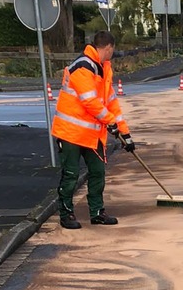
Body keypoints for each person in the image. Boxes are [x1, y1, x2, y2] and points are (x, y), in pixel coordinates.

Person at [51, 31, 135, 230]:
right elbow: (89, 100)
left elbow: (112, 103)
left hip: (92, 134)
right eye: (113, 50)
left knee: (97, 172)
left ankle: (97, 212)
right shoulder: (82, 66)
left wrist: (126, 134)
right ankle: (66, 213)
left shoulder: (104, 69)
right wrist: (109, 122)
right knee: (71, 175)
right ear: (108, 48)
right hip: (70, 132)